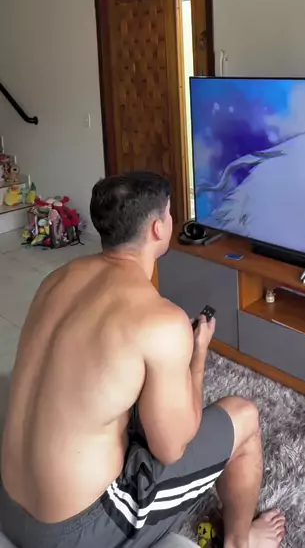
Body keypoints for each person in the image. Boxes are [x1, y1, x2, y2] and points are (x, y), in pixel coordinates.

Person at [0, 171, 285, 548]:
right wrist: (197, 356)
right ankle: (240, 540)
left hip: (9, 502)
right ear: (157, 228)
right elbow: (171, 448)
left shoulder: (56, 278)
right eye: (169, 214)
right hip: (71, 533)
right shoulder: (160, 321)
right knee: (244, 416)